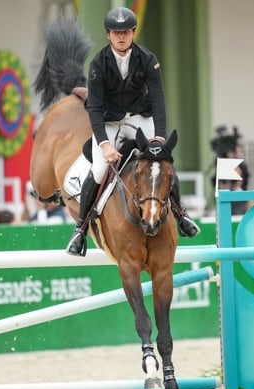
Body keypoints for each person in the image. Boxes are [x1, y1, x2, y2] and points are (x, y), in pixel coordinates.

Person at [66, 6, 200, 257]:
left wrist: (159, 136)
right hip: (109, 122)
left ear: (133, 33)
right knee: (98, 169)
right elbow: (94, 108)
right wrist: (105, 145)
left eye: (126, 32)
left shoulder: (148, 59)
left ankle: (181, 215)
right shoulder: (98, 64)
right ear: (108, 35)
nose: (121, 37)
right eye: (116, 32)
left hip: (140, 118)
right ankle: (80, 229)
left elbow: (158, 100)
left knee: (162, 160)